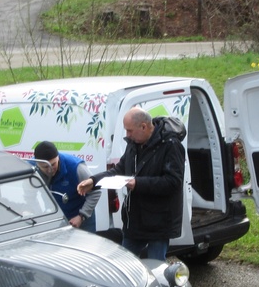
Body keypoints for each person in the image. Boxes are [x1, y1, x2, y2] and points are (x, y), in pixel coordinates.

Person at [77, 107, 185, 261]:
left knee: (156, 268)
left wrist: (138, 183)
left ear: (143, 126)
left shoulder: (170, 145)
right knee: (124, 265)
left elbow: (174, 182)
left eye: (130, 130)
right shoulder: (134, 143)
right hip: (135, 220)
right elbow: (120, 169)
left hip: (159, 222)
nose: (127, 135)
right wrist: (93, 181)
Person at [34, 141, 100, 233]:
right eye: (45, 167)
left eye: (53, 164)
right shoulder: (32, 168)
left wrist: (82, 216)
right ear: (37, 164)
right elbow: (29, 193)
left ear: (58, 158)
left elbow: (96, 191)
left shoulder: (76, 167)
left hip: (81, 219)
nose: (50, 170)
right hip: (55, 220)